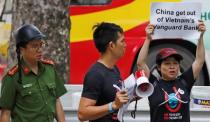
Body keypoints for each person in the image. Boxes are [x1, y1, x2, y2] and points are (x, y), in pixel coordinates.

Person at [137, 20, 206, 122]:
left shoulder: (185, 81)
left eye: (175, 63)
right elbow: (140, 63)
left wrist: (200, 37)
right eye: (167, 63)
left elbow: (199, 60)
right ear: (159, 67)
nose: (172, 67)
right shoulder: (153, 84)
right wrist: (148, 39)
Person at [0, 24, 67, 122]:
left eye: (41, 44)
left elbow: (56, 101)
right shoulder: (12, 77)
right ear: (22, 50)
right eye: (34, 46)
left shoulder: (49, 69)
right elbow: (5, 113)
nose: (39, 49)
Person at [78, 22, 129, 122]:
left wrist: (134, 94)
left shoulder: (114, 68)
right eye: (122, 41)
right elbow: (82, 113)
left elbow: (116, 100)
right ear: (111, 45)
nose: (125, 45)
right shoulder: (95, 74)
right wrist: (113, 105)